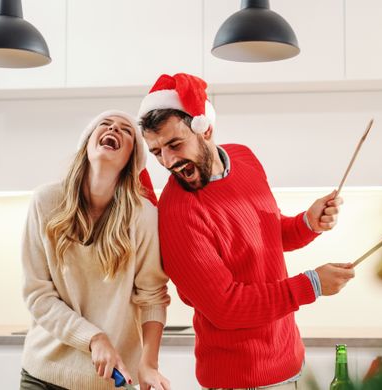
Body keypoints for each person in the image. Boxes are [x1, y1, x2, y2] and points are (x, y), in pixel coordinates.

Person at [137, 73, 356, 389]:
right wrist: (313, 285)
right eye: (157, 152)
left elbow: (269, 234)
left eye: (174, 144)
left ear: (206, 129)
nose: (168, 160)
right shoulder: (178, 213)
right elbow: (226, 307)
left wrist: (308, 223)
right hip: (239, 381)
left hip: (290, 364)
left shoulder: (244, 157)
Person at [20, 110, 171, 390]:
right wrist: (94, 338)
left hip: (109, 383)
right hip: (43, 375)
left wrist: (149, 364)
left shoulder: (144, 216)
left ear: (131, 160)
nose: (114, 128)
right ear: (87, 143)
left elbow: (153, 298)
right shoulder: (45, 201)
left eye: (126, 130)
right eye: (105, 124)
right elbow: (38, 295)